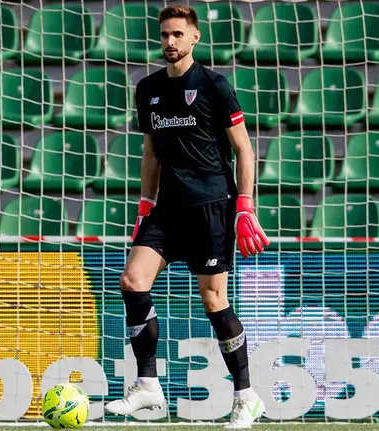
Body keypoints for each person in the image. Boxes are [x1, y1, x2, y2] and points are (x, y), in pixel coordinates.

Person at [103, 4, 270, 429]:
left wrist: (245, 207)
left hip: (211, 206)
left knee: (214, 301)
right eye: (164, 35)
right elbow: (151, 154)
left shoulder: (214, 85)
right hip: (168, 208)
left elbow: (244, 150)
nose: (170, 43)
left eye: (178, 34)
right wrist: (145, 205)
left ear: (195, 38)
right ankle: (147, 386)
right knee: (132, 281)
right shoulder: (148, 89)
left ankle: (246, 396)